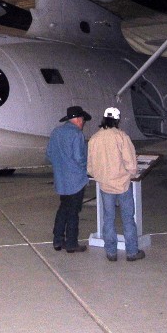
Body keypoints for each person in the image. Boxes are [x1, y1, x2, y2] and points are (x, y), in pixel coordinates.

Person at [87, 107, 145, 262]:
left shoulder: (94, 139)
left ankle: (111, 252)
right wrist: (131, 173)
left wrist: (101, 176)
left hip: (105, 186)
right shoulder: (121, 137)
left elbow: (90, 167)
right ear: (117, 120)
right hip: (122, 184)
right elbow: (131, 163)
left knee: (108, 218)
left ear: (104, 119)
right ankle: (132, 252)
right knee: (128, 218)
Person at [46, 105, 91, 253]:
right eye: (82, 120)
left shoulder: (56, 132)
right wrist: (88, 167)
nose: (83, 123)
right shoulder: (77, 134)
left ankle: (57, 240)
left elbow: (49, 155)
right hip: (76, 181)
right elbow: (79, 157)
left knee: (63, 208)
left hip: (61, 180)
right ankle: (71, 243)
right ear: (78, 119)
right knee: (73, 212)